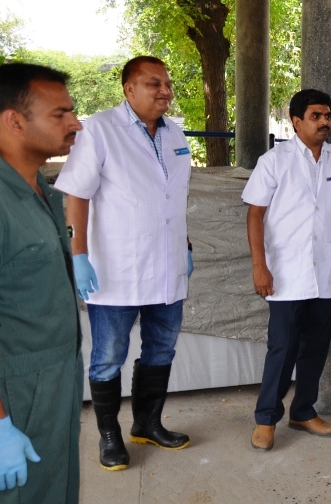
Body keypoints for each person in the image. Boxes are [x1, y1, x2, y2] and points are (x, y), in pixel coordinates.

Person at [55, 55, 194, 471]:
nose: (165, 91)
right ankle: (110, 436)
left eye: (167, 83)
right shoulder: (98, 131)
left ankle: (147, 424)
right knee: (108, 355)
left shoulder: (175, 134)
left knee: (162, 348)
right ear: (128, 88)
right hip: (115, 268)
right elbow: (76, 196)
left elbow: (174, 199)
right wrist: (77, 256)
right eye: (154, 84)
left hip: (168, 265)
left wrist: (184, 246)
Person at [243, 89, 331, 452]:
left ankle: (303, 410)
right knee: (282, 349)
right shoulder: (275, 161)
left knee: (316, 347)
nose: (324, 122)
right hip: (285, 273)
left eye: (327, 115)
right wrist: (259, 266)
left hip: (327, 273)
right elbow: (255, 213)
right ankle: (266, 419)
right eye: (316, 116)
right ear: (296, 121)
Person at [0, 63, 84, 502]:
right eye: (59, 114)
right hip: (12, 392)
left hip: (55, 380)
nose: (75, 123)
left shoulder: (43, 192)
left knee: (55, 488)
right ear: (13, 121)